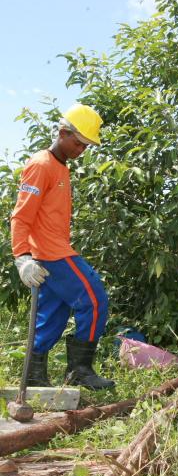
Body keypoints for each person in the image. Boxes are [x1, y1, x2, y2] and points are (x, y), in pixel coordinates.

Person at [10, 103, 114, 390]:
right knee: (94, 300)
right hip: (51, 253)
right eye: (78, 143)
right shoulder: (41, 165)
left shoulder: (60, 167)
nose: (81, 150)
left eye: (86, 146)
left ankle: (34, 378)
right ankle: (80, 370)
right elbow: (21, 216)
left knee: (52, 316)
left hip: (51, 251)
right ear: (62, 133)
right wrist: (22, 257)